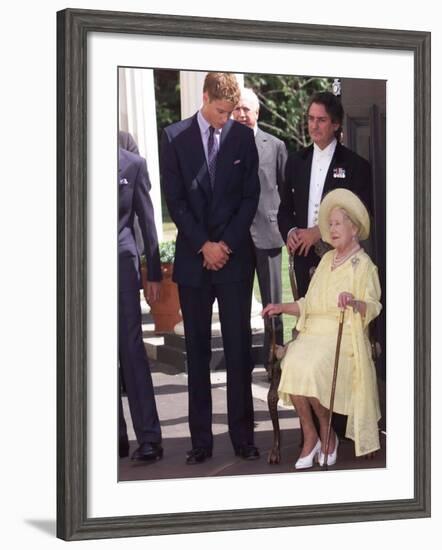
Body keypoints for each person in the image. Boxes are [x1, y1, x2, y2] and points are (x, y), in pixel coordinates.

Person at [160, 73, 261, 464]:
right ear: (204, 98)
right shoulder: (174, 137)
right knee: (198, 354)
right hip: (194, 262)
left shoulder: (242, 137)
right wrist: (204, 244)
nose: (225, 119)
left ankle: (243, 438)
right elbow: (176, 200)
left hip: (234, 262)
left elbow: (249, 197)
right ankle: (200, 442)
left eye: (230, 111)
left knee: (238, 352)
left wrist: (226, 245)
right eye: (220, 111)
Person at [263, 188, 381, 469]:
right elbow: (307, 304)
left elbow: (374, 305)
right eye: (330, 224)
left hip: (341, 334)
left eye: (338, 223)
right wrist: (281, 307)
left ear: (354, 228)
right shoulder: (326, 260)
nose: (333, 229)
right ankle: (311, 435)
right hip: (312, 332)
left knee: (313, 367)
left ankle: (328, 437)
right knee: (292, 363)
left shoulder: (363, 265)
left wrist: (354, 302)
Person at [277, 91, 372, 298]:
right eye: (311, 119)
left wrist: (320, 231)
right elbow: (284, 209)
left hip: (341, 256)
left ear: (336, 124)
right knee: (307, 320)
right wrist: (291, 231)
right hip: (303, 256)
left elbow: (362, 214)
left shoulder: (356, 166)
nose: (314, 125)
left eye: (321, 120)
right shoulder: (295, 162)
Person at [232, 88, 287, 368]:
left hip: (269, 233)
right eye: (237, 109)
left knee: (273, 304)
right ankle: (241, 361)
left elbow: (285, 190)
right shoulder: (223, 144)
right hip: (236, 238)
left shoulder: (275, 145)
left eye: (246, 109)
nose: (241, 114)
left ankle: (274, 360)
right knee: (237, 304)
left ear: (257, 113)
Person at [118, 147, 163, 462]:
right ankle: (113, 437)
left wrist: (155, 273)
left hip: (121, 267)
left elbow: (147, 222)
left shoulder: (133, 165)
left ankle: (149, 438)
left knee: (131, 349)